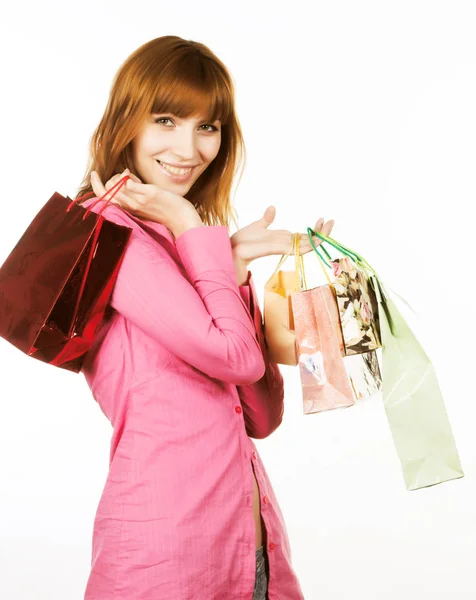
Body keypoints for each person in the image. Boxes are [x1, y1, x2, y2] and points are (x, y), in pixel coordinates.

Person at [76, 35, 333, 600]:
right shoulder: (107, 232)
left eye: (207, 127)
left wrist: (235, 268)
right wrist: (194, 228)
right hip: (167, 557)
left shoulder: (190, 249)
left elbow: (260, 417)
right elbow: (237, 357)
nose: (188, 148)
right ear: (127, 123)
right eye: (165, 120)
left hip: (251, 544)